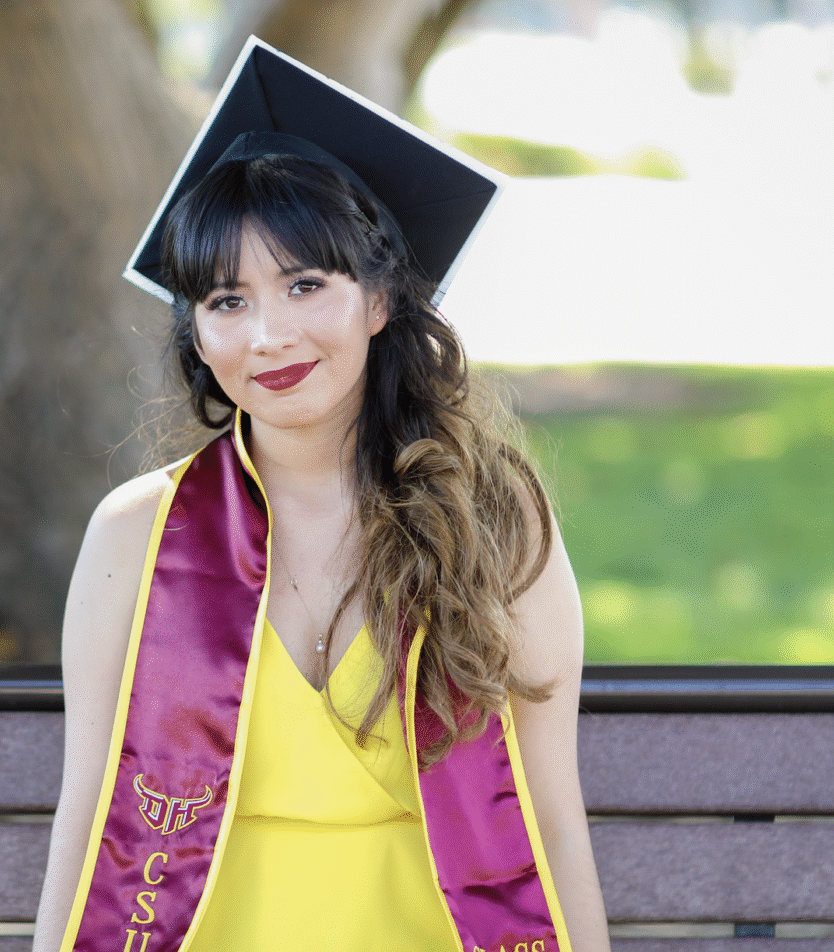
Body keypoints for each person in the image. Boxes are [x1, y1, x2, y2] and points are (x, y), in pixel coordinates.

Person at [33, 39, 610, 952]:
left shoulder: (493, 525)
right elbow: (89, 819)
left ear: (380, 302)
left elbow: (549, 816)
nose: (268, 335)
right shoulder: (136, 536)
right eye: (227, 301)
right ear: (197, 333)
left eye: (305, 284)